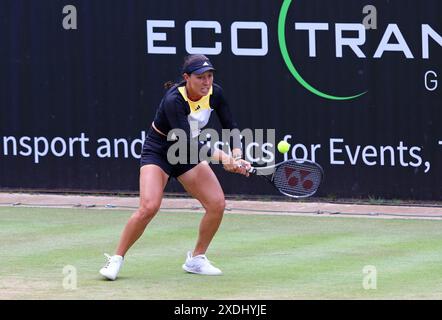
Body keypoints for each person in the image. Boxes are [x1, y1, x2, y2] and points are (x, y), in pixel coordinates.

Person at [99, 54, 251, 280]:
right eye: (200, 77)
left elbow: (231, 126)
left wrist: (237, 156)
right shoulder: (174, 100)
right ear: (186, 78)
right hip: (160, 151)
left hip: (187, 155)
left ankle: (196, 259)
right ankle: (116, 259)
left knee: (216, 204)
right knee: (149, 207)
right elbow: (187, 142)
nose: (206, 82)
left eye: (209, 76)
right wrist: (224, 158)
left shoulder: (215, 93)